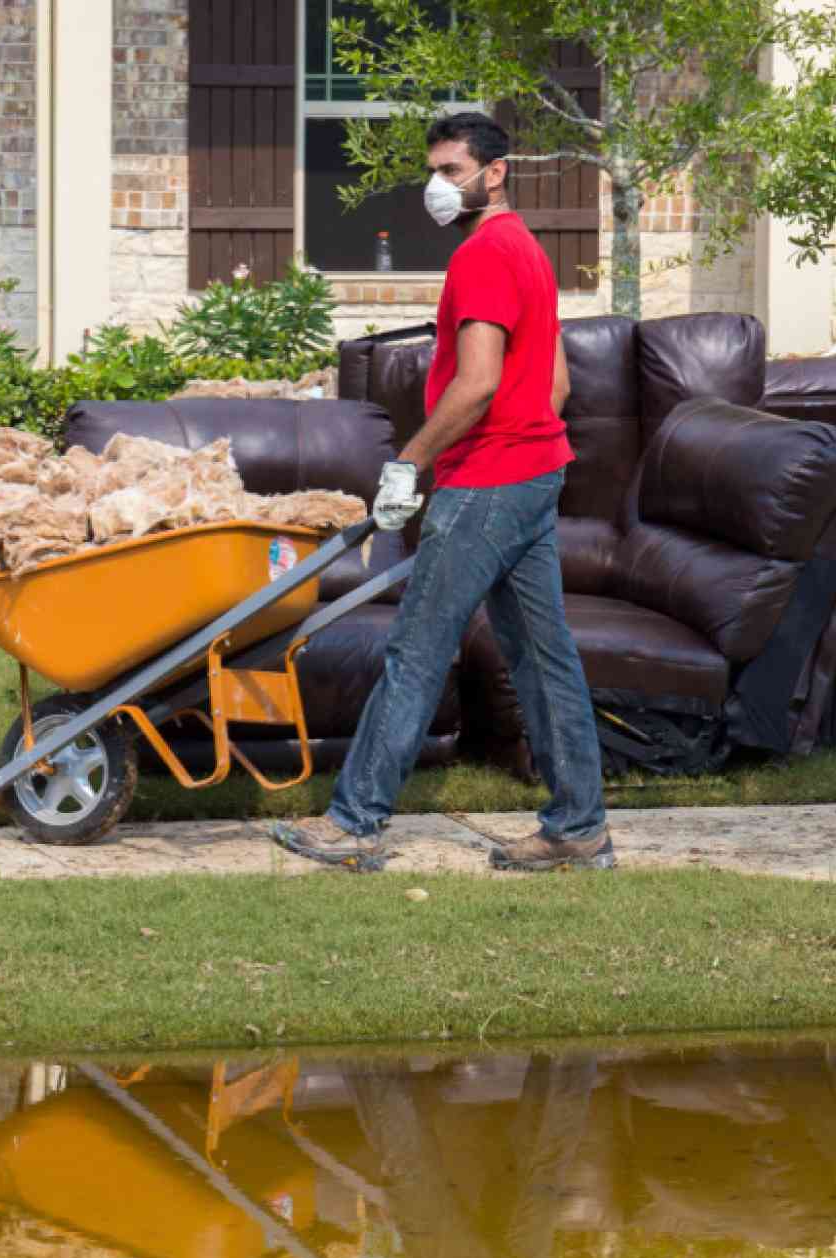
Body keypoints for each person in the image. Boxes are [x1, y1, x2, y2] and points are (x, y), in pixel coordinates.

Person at [271, 112, 611, 874]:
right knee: (543, 660)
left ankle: (355, 824)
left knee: (417, 651)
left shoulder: (484, 257)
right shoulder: (528, 250)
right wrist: (519, 447)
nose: (438, 186)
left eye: (452, 171)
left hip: (489, 483)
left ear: (495, 172)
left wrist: (410, 465)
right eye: (434, 170)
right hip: (533, 474)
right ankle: (579, 829)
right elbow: (553, 385)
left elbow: (479, 382)